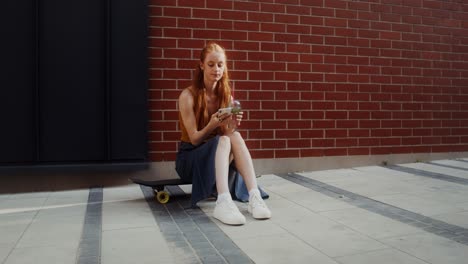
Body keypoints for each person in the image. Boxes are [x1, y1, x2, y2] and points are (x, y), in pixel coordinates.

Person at [175, 42, 271, 225]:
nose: (216, 69)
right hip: (190, 159)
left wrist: (232, 124)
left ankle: (254, 196)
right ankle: (223, 201)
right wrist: (212, 124)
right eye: (211, 64)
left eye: (220, 64)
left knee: (233, 136)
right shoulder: (187, 96)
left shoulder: (226, 95)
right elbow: (194, 139)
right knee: (224, 141)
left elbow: (227, 134)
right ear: (201, 65)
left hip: (218, 156)